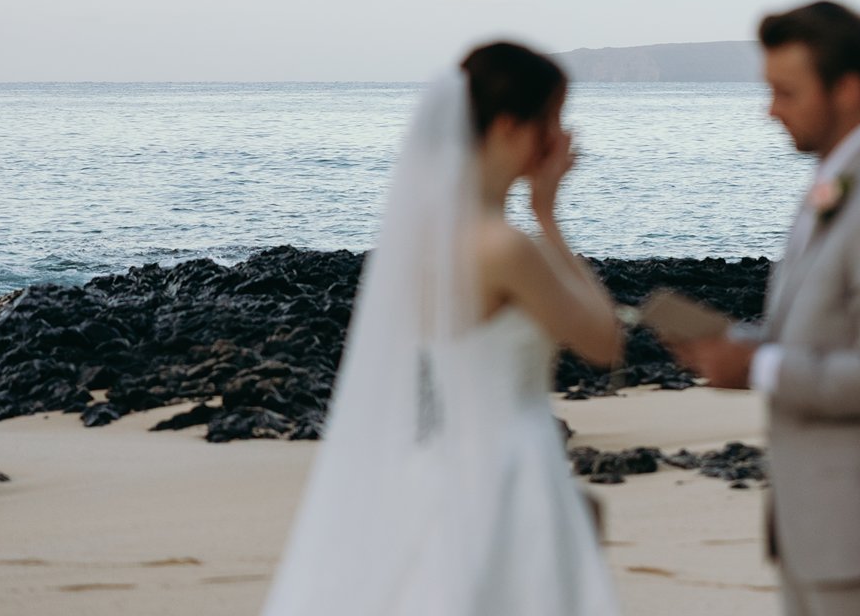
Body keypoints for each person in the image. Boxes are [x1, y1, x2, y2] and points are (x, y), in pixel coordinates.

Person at [261, 41, 623, 616]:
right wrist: (550, 214)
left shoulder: (423, 240)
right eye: (553, 118)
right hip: (510, 467)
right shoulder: (503, 247)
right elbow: (604, 342)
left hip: (437, 464)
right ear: (511, 127)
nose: (563, 137)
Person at [673, 1, 860, 616]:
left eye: (786, 91)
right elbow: (817, 334)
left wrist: (758, 369)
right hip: (815, 529)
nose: (770, 109)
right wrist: (735, 342)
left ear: (848, 89)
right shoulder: (837, 185)